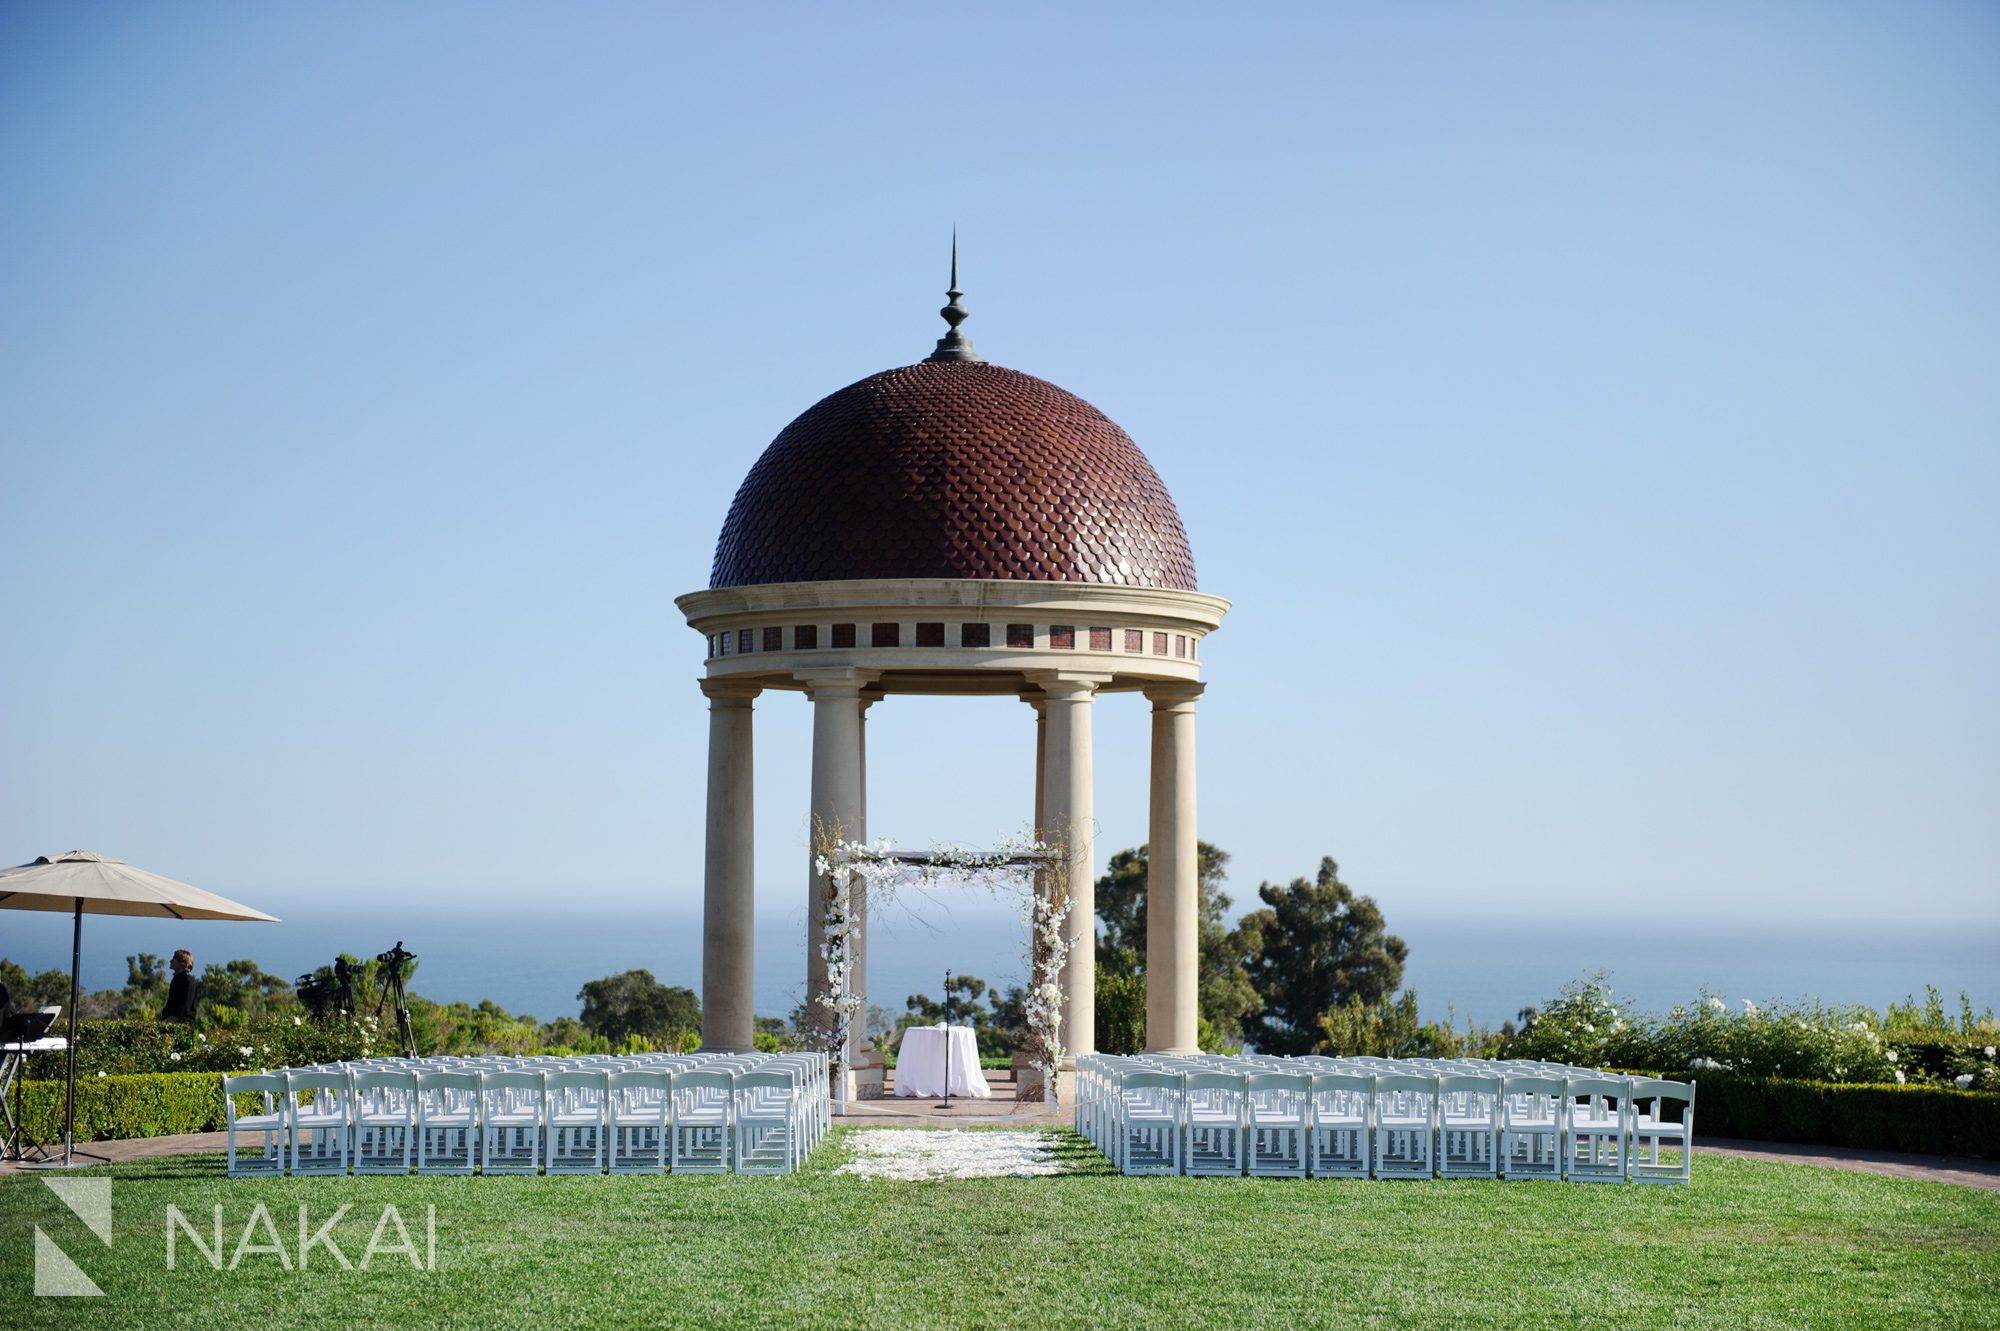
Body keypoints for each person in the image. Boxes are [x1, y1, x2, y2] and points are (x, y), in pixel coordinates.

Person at [160, 949, 198, 1023]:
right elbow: (171, 1003)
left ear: (182, 963)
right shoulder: (176, 979)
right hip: (171, 1021)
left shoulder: (188, 981)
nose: (170, 961)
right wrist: (162, 1016)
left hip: (183, 1024)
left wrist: (173, 1019)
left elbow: (186, 1005)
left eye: (174, 959)